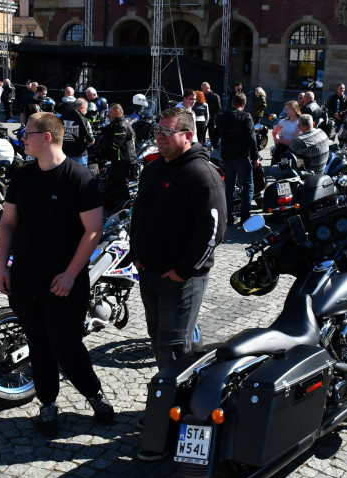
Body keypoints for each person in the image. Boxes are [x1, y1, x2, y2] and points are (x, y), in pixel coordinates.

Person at [0, 112, 113, 437]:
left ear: (46, 137)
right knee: (38, 344)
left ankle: (95, 395)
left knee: (66, 345)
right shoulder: (22, 175)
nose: (22, 137)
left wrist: (71, 274)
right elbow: (7, 223)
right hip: (25, 280)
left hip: (65, 283)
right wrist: (3, 266)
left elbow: (93, 230)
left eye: (27, 133)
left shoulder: (79, 177)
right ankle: (48, 406)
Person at [131, 107, 226, 375]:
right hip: (149, 273)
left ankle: (175, 410)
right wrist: (135, 254)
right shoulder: (151, 169)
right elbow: (137, 214)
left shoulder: (202, 174)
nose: (160, 136)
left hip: (182, 279)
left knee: (173, 347)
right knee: (157, 339)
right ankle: (169, 403)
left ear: (188, 135)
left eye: (168, 131)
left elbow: (213, 231)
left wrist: (184, 271)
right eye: (158, 130)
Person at [217, 92, 259, 225]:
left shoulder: (222, 116)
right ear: (244, 104)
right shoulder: (245, 116)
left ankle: (230, 216)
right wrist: (255, 157)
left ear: (232, 103)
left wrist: (214, 145)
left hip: (227, 156)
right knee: (247, 185)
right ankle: (245, 217)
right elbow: (251, 138)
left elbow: (214, 132)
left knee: (229, 186)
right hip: (241, 156)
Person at [98, 103, 136, 211]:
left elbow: (114, 144)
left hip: (123, 160)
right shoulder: (115, 123)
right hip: (117, 160)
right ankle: (113, 206)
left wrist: (103, 139)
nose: (108, 114)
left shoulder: (122, 125)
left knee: (122, 184)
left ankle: (126, 208)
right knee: (111, 183)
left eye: (110, 112)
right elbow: (105, 130)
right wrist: (100, 132)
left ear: (118, 112)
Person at [62, 98, 94, 166]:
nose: (86, 111)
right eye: (86, 109)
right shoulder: (84, 120)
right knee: (80, 176)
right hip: (79, 156)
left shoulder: (61, 118)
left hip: (63, 155)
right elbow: (90, 141)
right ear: (81, 108)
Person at [271, 100, 301, 165]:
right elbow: (274, 132)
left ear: (295, 109)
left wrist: (279, 140)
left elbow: (293, 141)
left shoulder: (300, 122)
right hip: (281, 148)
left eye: (288, 109)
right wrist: (276, 139)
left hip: (293, 149)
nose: (286, 111)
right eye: (285, 109)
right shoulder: (283, 121)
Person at [201, 82, 222, 147]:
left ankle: (212, 146)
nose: (201, 90)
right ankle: (203, 145)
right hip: (204, 117)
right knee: (203, 133)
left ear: (207, 88)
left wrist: (211, 116)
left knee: (212, 133)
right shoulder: (202, 95)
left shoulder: (214, 96)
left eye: (202, 88)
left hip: (212, 118)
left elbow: (218, 108)